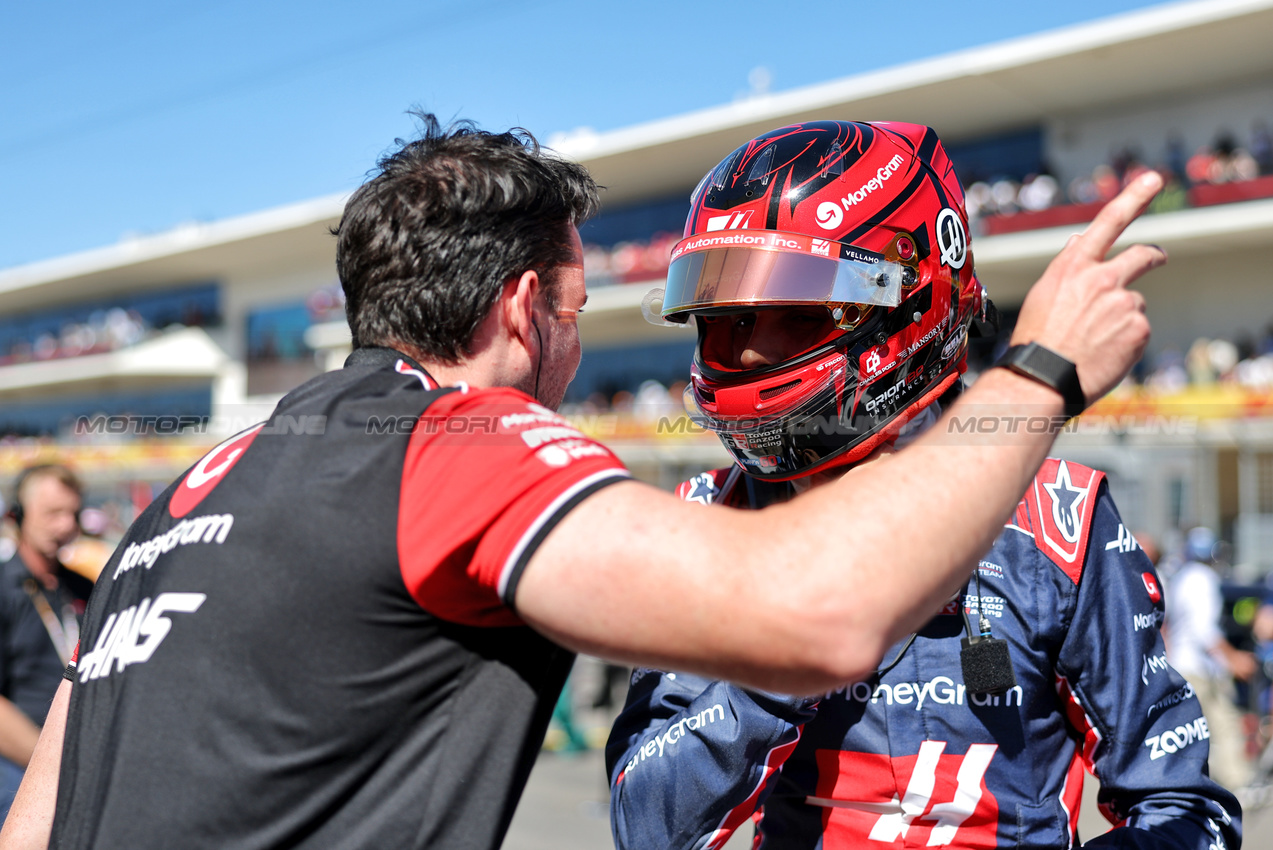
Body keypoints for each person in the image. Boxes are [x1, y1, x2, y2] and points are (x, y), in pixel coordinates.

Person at [3, 114, 1163, 850]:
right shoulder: (464, 445)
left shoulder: (193, 488)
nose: (741, 349)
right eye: (573, 309)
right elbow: (815, 615)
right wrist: (1037, 373)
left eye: (784, 314)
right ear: (522, 311)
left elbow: (37, 817)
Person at [607, 121, 1239, 850]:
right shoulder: (701, 523)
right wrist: (793, 638)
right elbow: (646, 827)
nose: (743, 348)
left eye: (790, 310)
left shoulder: (1058, 519)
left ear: (905, 304)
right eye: (720, 315)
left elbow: (1187, 811)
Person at [0, 466, 93, 821]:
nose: (66, 526)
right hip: (21, 766)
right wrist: (53, 767)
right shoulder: (4, 588)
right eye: (53, 513)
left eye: (73, 513)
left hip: (80, 758)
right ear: (18, 516)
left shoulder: (85, 587)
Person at [1164, 526, 1257, 791]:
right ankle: (1239, 785)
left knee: (1189, 730)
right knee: (1223, 725)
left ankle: (1200, 785)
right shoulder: (1203, 578)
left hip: (1182, 665)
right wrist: (1233, 659)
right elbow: (1204, 630)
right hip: (1197, 668)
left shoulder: (1181, 577)